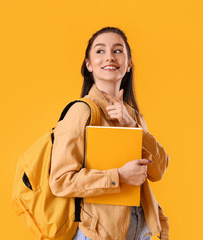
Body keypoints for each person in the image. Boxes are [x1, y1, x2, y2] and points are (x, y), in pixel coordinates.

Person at [49, 27, 170, 240]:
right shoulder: (81, 111)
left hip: (140, 231)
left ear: (129, 63)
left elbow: (158, 170)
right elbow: (60, 180)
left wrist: (133, 126)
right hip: (98, 233)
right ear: (88, 64)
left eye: (117, 50)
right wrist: (119, 177)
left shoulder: (134, 116)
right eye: (100, 51)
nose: (109, 57)